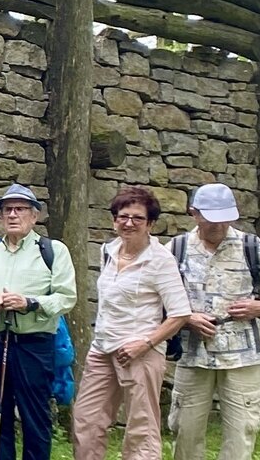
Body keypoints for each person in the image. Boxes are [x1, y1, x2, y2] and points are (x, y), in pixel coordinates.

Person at [69, 187, 186, 460]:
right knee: (86, 420)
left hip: (140, 352)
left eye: (138, 218)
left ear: (151, 224)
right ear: (114, 220)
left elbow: (180, 314)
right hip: (103, 349)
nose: (129, 223)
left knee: (140, 429)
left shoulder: (160, 260)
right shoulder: (108, 250)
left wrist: (145, 344)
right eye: (123, 216)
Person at [0, 184, 74, 460]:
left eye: (20, 209)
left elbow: (66, 297)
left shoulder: (52, 250)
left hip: (33, 344)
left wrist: (29, 302)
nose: (12, 214)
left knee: (35, 415)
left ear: (34, 216)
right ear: (0, 215)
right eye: (6, 209)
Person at [166, 183, 260, 460]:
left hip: (243, 356)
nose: (219, 225)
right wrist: (187, 317)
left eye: (225, 218)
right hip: (192, 355)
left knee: (242, 432)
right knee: (185, 432)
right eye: (212, 218)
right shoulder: (175, 249)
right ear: (194, 213)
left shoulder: (253, 247)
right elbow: (157, 296)